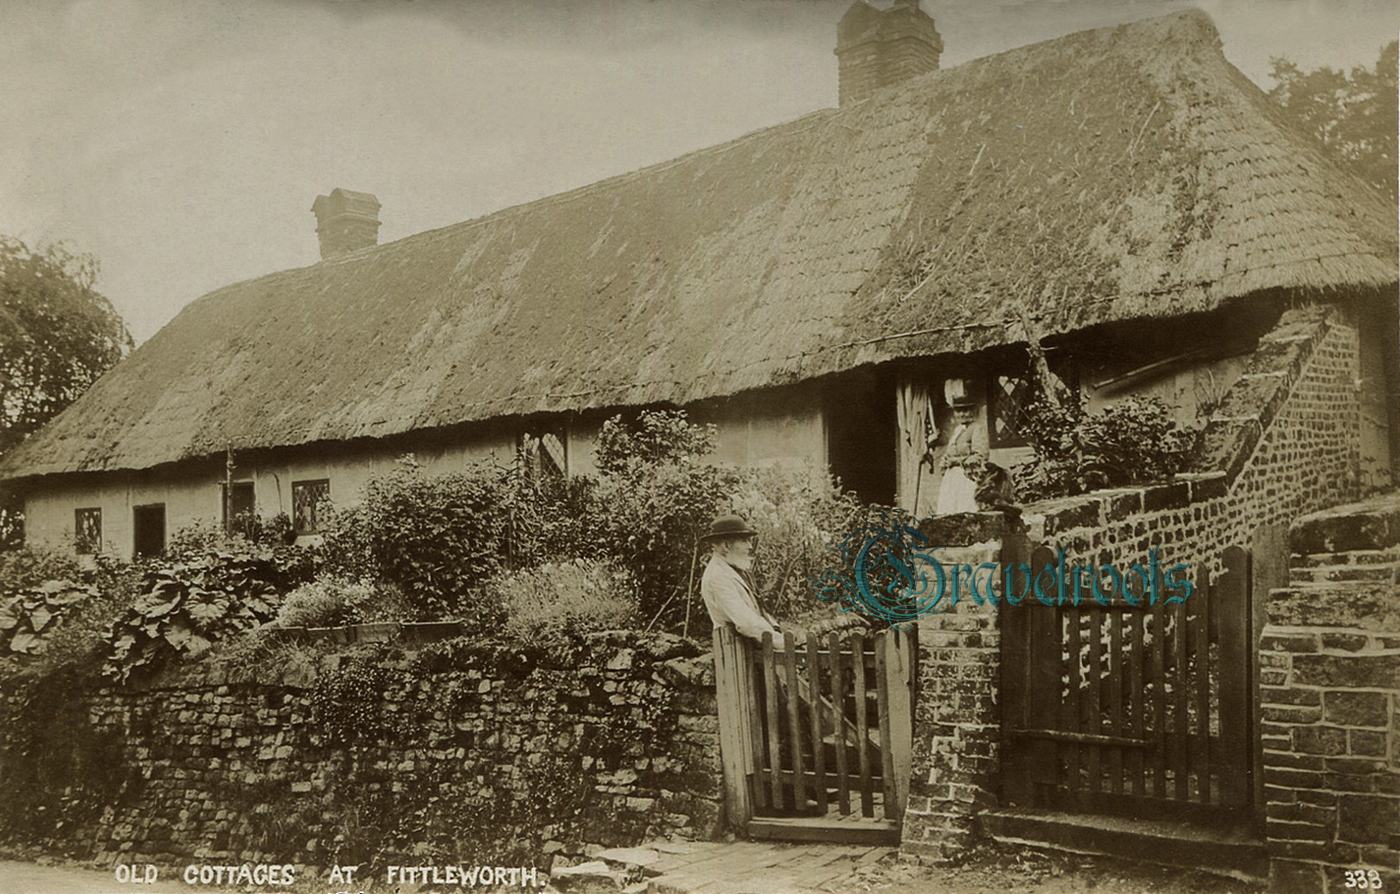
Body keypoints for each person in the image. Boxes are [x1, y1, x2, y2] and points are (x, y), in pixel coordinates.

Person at [699, 514, 785, 649]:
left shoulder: (734, 569)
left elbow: (758, 608)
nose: (750, 546)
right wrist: (782, 643)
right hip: (736, 653)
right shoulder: (718, 576)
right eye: (744, 541)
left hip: (751, 650)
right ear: (726, 545)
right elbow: (745, 622)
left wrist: (774, 628)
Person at [934, 378, 988, 515]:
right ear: (954, 413)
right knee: (949, 509)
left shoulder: (977, 428)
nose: (962, 414)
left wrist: (956, 461)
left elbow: (980, 456)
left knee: (965, 509)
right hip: (952, 478)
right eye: (958, 411)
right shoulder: (958, 430)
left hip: (968, 477)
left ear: (972, 411)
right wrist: (945, 461)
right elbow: (950, 452)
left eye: (966, 410)